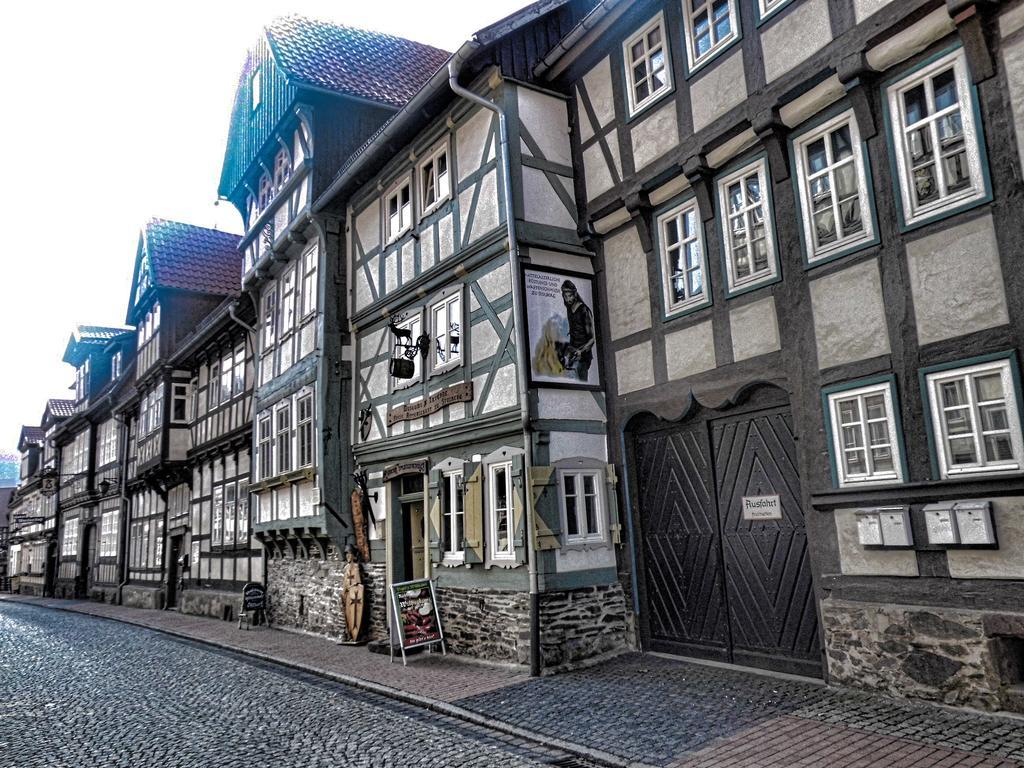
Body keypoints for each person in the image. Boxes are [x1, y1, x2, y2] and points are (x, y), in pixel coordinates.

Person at [559, 280, 596, 381]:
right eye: (565, 297)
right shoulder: (569, 309)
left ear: (575, 294)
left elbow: (592, 338)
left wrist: (581, 351)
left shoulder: (584, 310)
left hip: (583, 356)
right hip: (572, 354)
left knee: (581, 382)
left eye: (570, 296)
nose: (568, 299)